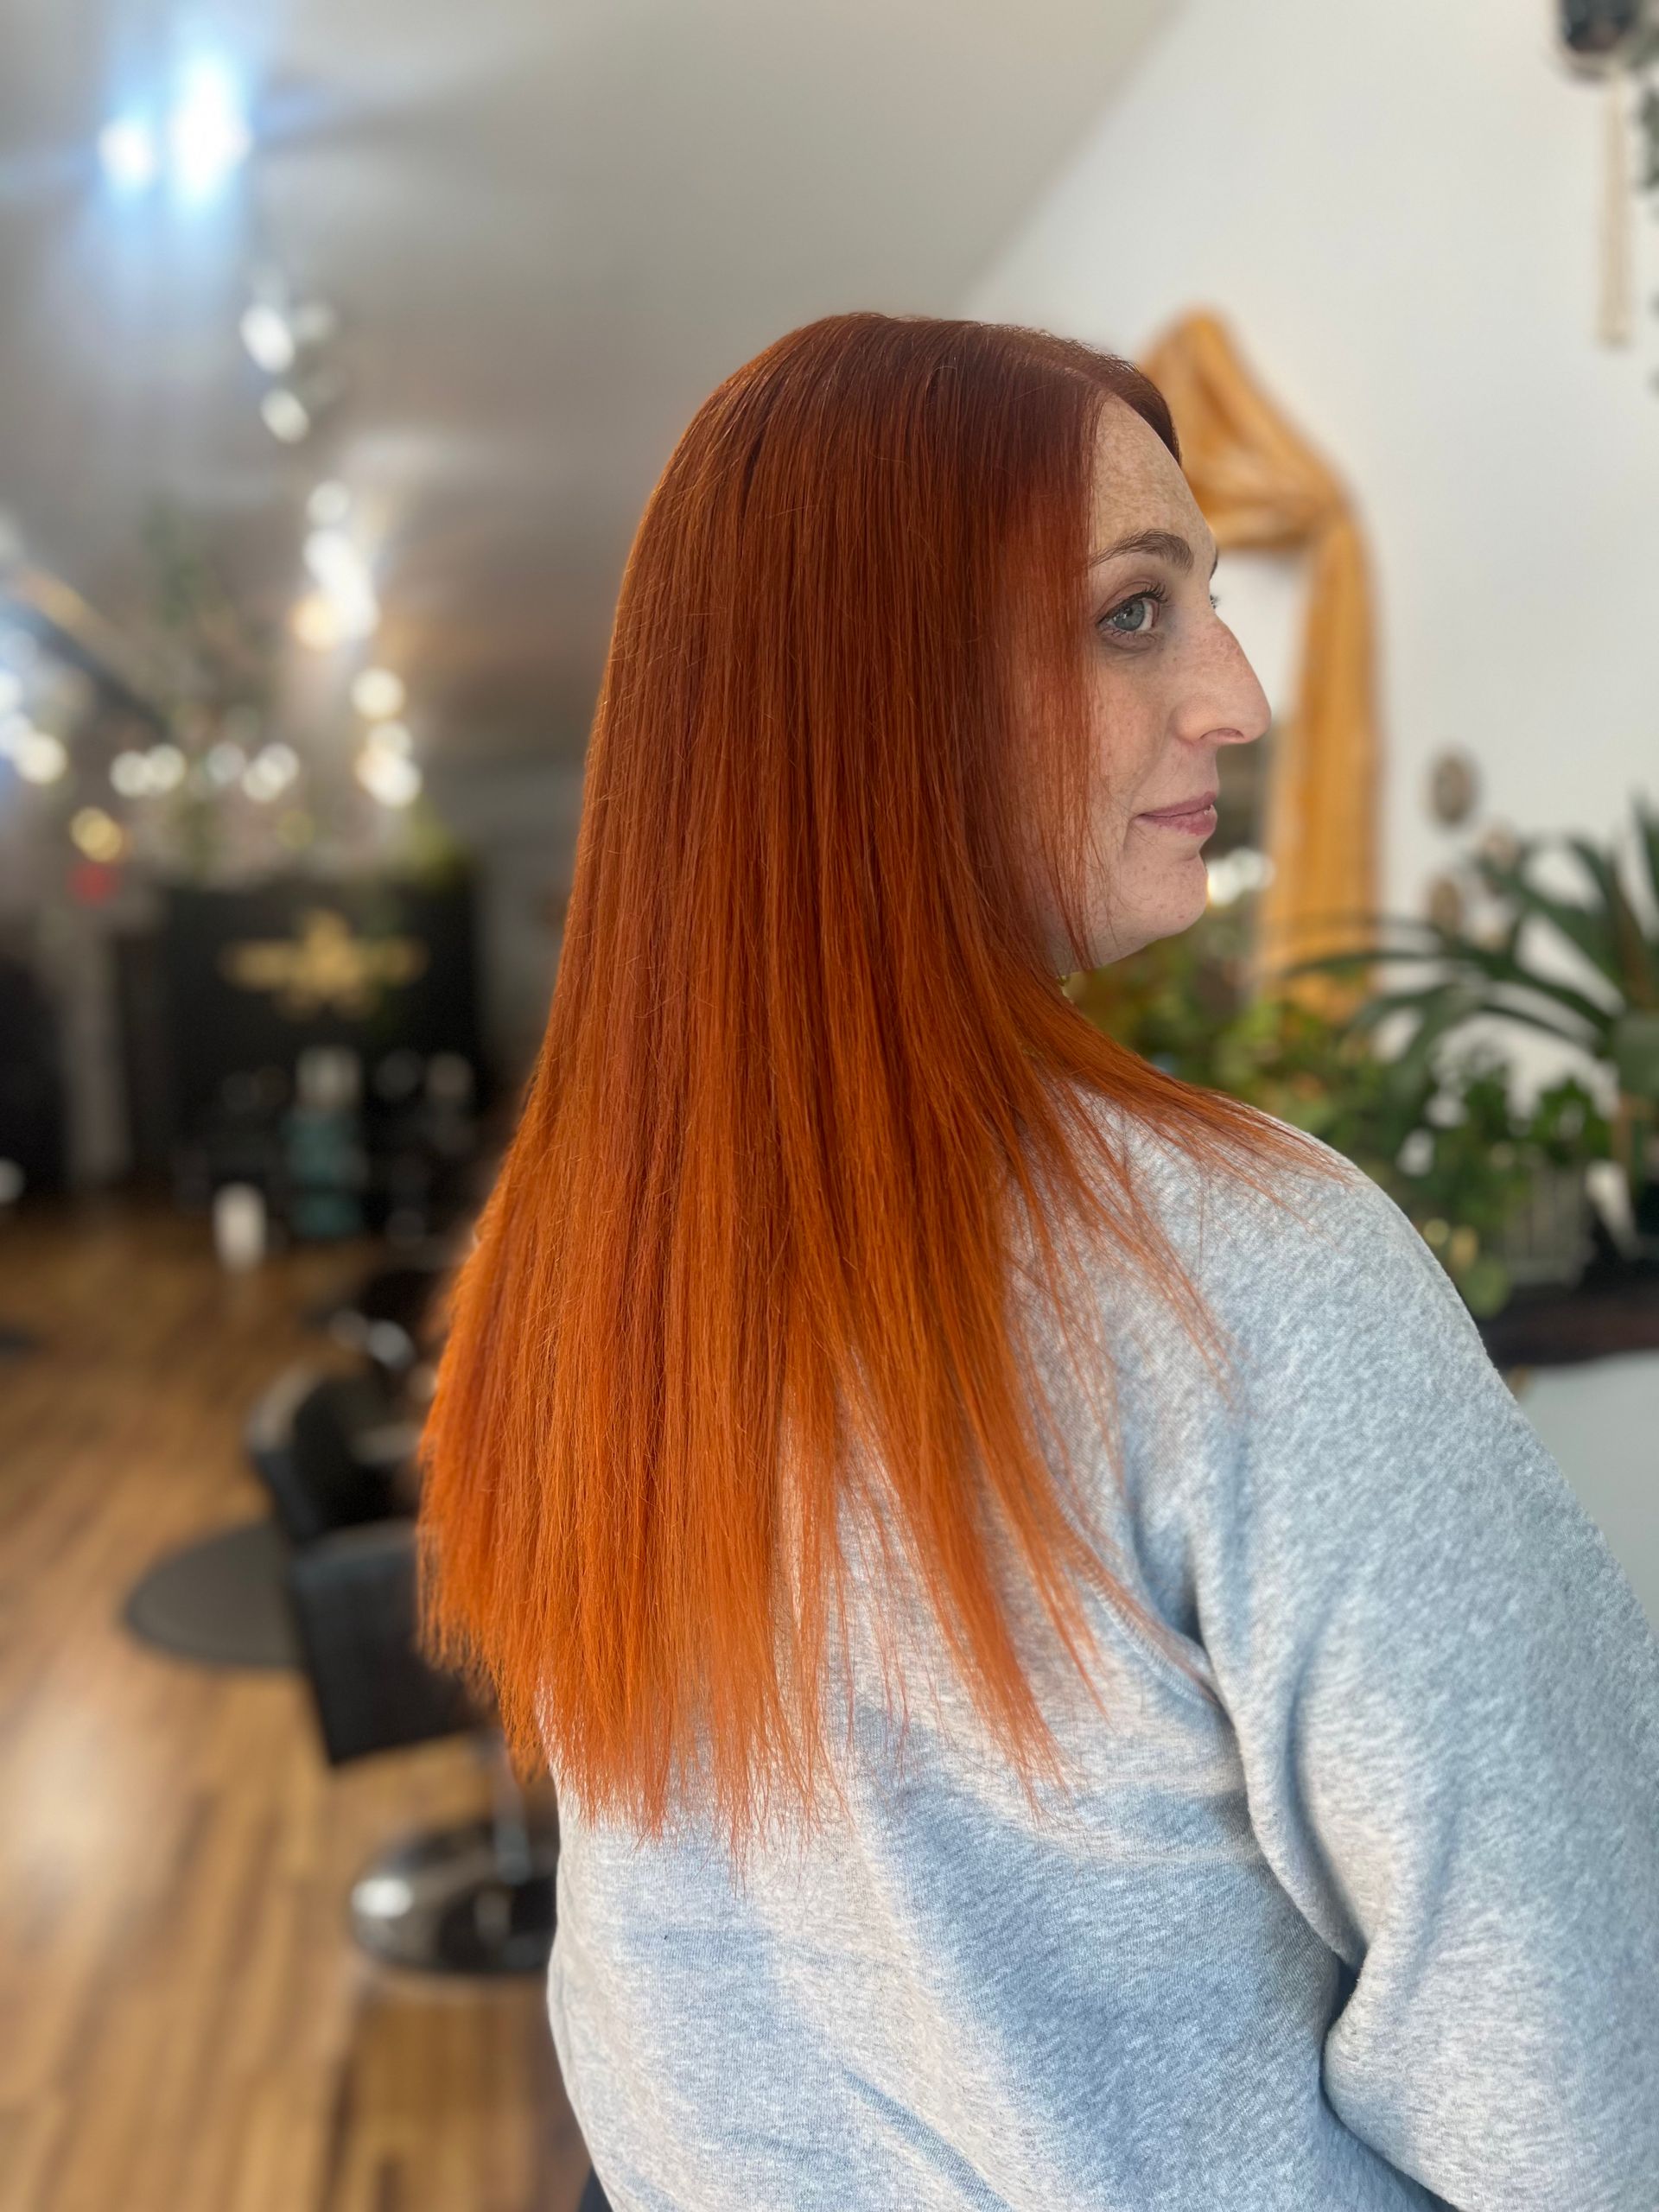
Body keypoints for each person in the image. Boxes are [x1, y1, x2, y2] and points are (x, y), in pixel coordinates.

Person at [414, 314, 1659, 2211]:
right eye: (1132, 614)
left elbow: (663, 2014)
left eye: (1205, 603)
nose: (1237, 694)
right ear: (877, 695)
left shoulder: (574, 1264)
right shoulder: (1243, 1279)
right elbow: (1588, 2105)